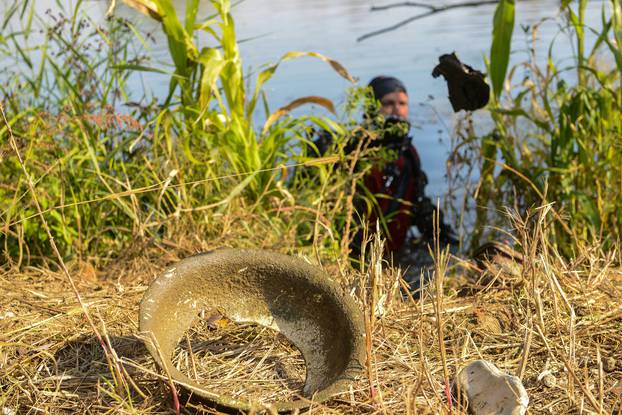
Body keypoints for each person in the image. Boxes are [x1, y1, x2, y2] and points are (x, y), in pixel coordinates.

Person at [308, 75, 457, 260]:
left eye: (403, 103)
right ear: (372, 107)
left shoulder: (408, 153)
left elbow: (418, 205)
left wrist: (446, 239)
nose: (397, 110)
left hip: (395, 255)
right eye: (388, 103)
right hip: (353, 255)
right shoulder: (353, 149)